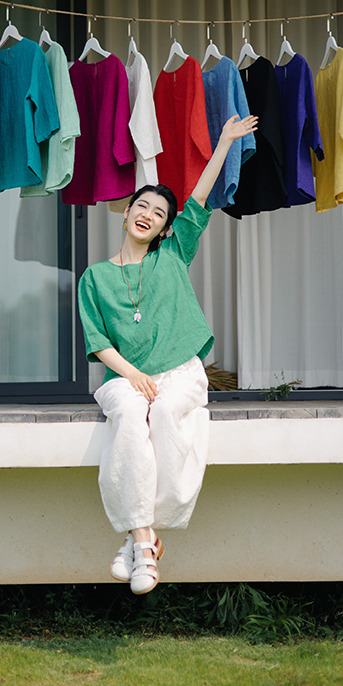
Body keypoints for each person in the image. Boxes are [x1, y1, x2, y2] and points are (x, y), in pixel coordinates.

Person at [77, 112, 255, 594]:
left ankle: (137, 541)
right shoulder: (94, 278)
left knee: (164, 415)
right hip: (124, 376)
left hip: (179, 373)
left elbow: (199, 197)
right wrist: (134, 376)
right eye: (142, 205)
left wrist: (224, 143)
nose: (148, 214)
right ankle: (147, 541)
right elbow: (98, 341)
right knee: (128, 415)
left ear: (164, 228)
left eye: (159, 213)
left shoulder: (173, 255)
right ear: (127, 211)